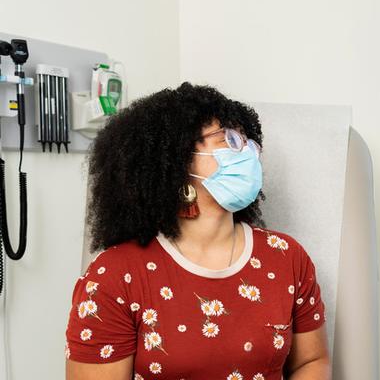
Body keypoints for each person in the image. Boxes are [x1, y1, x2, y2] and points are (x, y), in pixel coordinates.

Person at [65, 83, 331, 379]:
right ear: (175, 157)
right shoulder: (114, 277)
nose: (247, 153)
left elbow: (312, 362)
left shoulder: (287, 258)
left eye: (249, 143)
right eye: (228, 139)